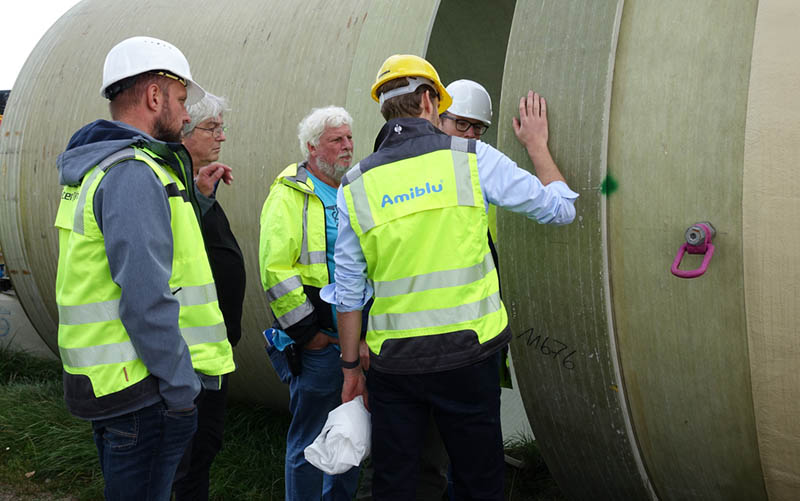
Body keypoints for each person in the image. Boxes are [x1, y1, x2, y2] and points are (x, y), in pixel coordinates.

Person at [329, 54, 579, 500]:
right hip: (469, 355)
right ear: (429, 100)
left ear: (385, 108)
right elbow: (559, 209)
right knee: (478, 480)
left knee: (395, 483)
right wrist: (537, 146)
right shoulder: (470, 158)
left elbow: (348, 292)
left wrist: (350, 368)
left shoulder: (355, 184)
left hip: (394, 365)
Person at [54, 36, 235, 500]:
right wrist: (180, 389)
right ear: (155, 97)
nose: (186, 113)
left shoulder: (99, 168)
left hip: (119, 385)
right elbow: (145, 295)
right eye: (179, 100)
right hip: (145, 391)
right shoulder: (133, 172)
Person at [259, 106, 360, 500]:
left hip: (354, 343)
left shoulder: (353, 187)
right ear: (312, 147)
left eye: (349, 138)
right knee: (310, 439)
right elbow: (275, 270)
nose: (347, 147)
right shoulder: (290, 194)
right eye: (337, 140)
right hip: (319, 345)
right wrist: (307, 333)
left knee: (350, 435)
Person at [173, 92, 246, 500]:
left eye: (222, 128)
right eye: (211, 128)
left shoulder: (194, 183)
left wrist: (203, 192)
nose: (220, 136)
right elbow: (176, 246)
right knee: (188, 454)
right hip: (189, 352)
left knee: (203, 448)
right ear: (185, 133)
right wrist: (199, 196)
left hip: (212, 347)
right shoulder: (169, 181)